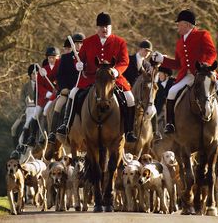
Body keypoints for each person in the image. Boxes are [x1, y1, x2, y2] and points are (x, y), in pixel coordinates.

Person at [151, 9, 218, 136]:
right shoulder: (180, 42)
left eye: (179, 24)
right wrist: (162, 59)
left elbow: (211, 53)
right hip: (188, 76)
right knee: (172, 92)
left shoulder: (203, 34)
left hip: (204, 74)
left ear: (186, 24)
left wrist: (205, 66)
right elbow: (178, 64)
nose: (178, 28)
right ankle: (170, 123)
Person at [56, 12, 138, 142]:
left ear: (111, 27)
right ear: (97, 28)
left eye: (107, 27)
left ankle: (129, 131)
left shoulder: (120, 42)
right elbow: (80, 59)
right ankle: (66, 125)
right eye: (101, 27)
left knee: (130, 99)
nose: (104, 29)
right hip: (90, 77)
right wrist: (78, 64)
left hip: (113, 79)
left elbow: (124, 61)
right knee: (72, 93)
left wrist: (116, 72)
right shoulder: (88, 42)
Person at [47, 32, 85, 143]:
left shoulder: (87, 57)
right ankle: (53, 133)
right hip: (67, 91)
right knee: (58, 106)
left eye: (81, 43)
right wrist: (63, 88)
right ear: (73, 44)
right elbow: (60, 75)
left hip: (83, 89)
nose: (79, 46)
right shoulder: (65, 58)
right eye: (77, 43)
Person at [22, 46, 60, 147]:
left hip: (55, 95)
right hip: (44, 97)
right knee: (35, 114)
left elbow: (61, 80)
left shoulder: (60, 66)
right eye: (49, 58)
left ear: (58, 57)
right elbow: (39, 85)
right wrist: (46, 93)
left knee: (46, 111)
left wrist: (54, 90)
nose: (51, 60)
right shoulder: (44, 70)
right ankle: (32, 137)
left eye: (53, 57)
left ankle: (47, 134)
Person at [10, 64, 37, 148]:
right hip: (27, 110)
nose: (35, 75)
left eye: (37, 73)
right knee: (13, 128)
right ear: (30, 75)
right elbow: (21, 100)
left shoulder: (42, 85)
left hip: (39, 109)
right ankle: (16, 150)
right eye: (33, 74)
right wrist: (25, 105)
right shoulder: (25, 86)